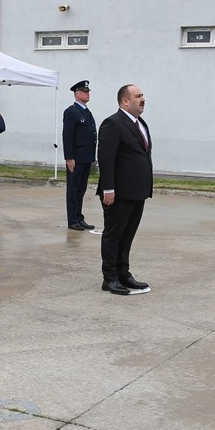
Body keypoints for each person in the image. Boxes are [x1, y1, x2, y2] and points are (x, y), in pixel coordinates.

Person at [96, 85, 154, 295]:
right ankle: (110, 278)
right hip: (118, 193)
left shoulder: (141, 123)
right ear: (125, 101)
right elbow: (105, 158)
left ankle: (124, 274)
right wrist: (108, 188)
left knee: (127, 235)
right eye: (138, 96)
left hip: (137, 192)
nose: (143, 99)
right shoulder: (113, 123)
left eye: (143, 96)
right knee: (113, 235)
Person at [62, 79, 98, 230]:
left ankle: (79, 216)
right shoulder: (71, 112)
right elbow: (67, 136)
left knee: (81, 189)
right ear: (77, 94)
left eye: (88, 91)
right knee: (73, 189)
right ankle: (72, 220)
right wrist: (69, 157)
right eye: (84, 91)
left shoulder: (86, 112)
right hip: (76, 159)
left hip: (86, 158)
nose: (87, 94)